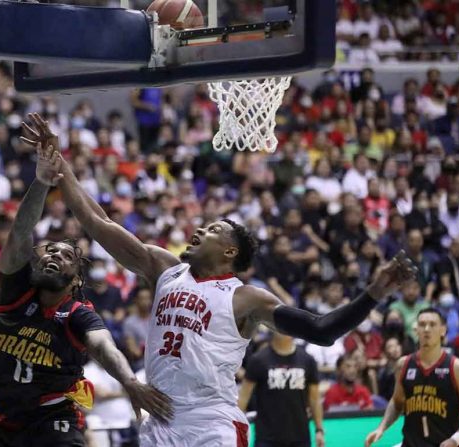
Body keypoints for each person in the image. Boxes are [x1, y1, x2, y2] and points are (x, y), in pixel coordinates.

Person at [22, 113, 417, 447]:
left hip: (212, 422)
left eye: (210, 229)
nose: (197, 231)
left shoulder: (246, 298)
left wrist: (374, 293)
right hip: (160, 419)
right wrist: (62, 166)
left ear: (230, 251)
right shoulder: (164, 268)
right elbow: (97, 222)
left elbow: (322, 330)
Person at [0, 141, 172, 447]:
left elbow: (103, 347)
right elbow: (20, 232)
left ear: (75, 281)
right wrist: (42, 182)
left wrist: (129, 382)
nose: (54, 256)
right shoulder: (15, 293)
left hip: (54, 420)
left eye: (66, 256)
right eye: (50, 251)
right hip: (6, 425)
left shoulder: (77, 313)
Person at [365, 309, 459, 447]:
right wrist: (381, 428)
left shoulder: (456, 367)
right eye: (422, 324)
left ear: (443, 330)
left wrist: (455, 439)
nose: (426, 329)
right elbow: (396, 403)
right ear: (416, 330)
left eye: (432, 324)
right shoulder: (404, 364)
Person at [238, 332, 325, 447]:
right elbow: (243, 398)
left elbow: (314, 400)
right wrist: (239, 429)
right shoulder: (258, 360)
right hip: (266, 438)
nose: (285, 330)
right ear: (272, 327)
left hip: (300, 437)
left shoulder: (307, 360)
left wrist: (319, 430)